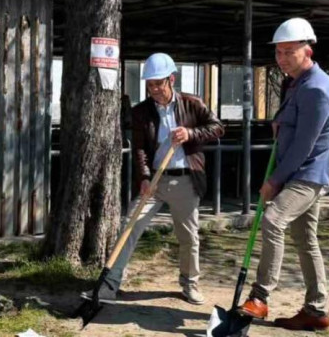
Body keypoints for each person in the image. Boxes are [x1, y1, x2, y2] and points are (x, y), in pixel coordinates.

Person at [83, 53, 224, 305]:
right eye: (150, 85)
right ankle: (109, 285)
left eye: (159, 83)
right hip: (155, 182)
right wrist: (145, 178)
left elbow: (217, 127)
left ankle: (190, 284)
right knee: (129, 226)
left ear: (172, 79)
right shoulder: (141, 112)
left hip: (185, 180)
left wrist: (190, 133)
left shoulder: (192, 103)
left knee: (188, 236)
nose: (154, 89)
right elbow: (139, 149)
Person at [238, 18, 329, 330]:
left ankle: (259, 297)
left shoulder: (317, 89)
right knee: (305, 238)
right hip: (301, 169)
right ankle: (316, 310)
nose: (282, 58)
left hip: (310, 172)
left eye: (289, 52)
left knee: (273, 220)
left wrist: (275, 180)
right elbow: (293, 123)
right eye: (278, 52)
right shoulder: (296, 83)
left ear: (307, 50)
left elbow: (304, 147)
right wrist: (280, 122)